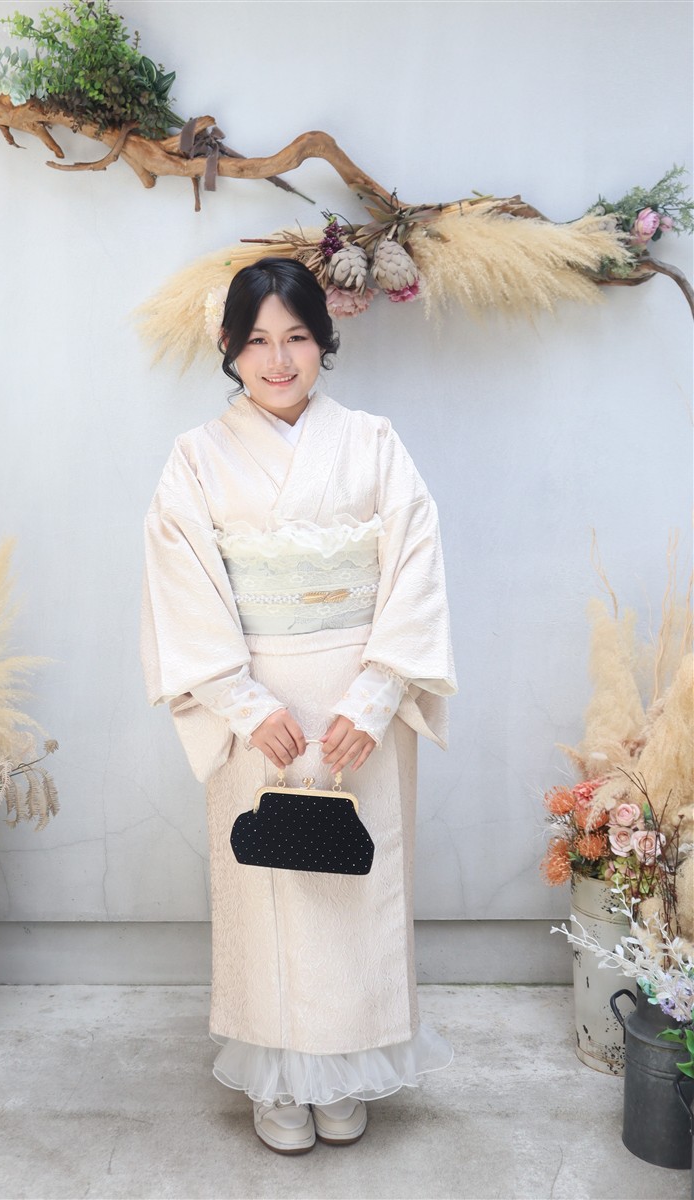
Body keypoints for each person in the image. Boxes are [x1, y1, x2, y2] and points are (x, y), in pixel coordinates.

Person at [141, 257, 457, 1155]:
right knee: (269, 886)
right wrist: (242, 703)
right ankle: (279, 1078)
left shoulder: (374, 443)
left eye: (297, 338)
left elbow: (416, 567)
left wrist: (379, 693)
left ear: (324, 341)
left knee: (354, 887)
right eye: (257, 342)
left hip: (359, 704)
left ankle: (349, 1068)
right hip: (260, 707)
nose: (278, 361)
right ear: (229, 349)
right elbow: (181, 587)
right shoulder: (197, 459)